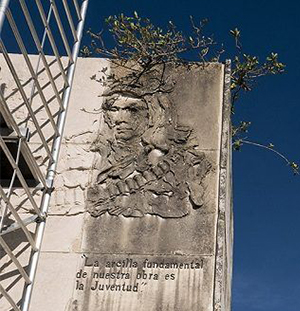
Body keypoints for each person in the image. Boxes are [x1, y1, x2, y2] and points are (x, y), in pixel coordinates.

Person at [86, 86, 211, 218]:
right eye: (114, 109)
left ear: (153, 115)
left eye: (132, 110)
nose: (120, 119)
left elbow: (179, 208)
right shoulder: (99, 156)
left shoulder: (179, 162)